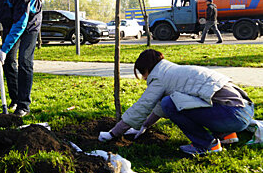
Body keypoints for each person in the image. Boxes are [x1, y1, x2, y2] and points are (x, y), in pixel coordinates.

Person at [98, 49, 255, 155]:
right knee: (171, 102)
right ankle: (226, 135)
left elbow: (144, 105)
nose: (144, 78)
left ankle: (207, 144)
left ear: (147, 68)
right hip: (244, 110)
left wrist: (113, 133)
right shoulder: (173, 72)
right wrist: (144, 125)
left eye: (142, 73)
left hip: (231, 115)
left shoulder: (160, 76)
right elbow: (159, 107)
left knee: (169, 103)